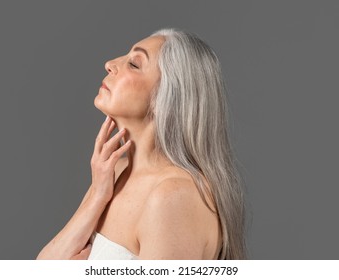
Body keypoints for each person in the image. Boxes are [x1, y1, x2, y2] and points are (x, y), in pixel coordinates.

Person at [36, 28, 246, 260]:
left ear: (167, 97)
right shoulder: (114, 173)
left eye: (134, 64)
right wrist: (97, 194)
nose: (110, 64)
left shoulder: (174, 196)